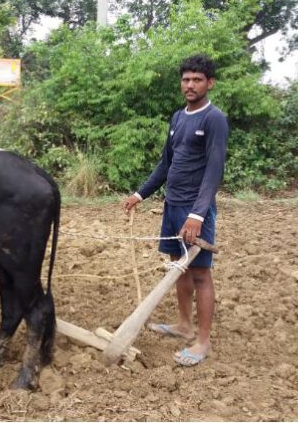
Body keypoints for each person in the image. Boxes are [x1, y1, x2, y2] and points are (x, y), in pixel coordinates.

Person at [122, 54, 229, 366]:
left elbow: (214, 170)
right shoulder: (178, 118)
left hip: (196, 211)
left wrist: (198, 214)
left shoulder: (214, 119)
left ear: (210, 83)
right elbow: (166, 164)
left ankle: (203, 342)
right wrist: (140, 194)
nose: (190, 85)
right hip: (172, 205)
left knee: (200, 274)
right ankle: (184, 326)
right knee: (176, 267)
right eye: (186, 79)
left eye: (197, 80)